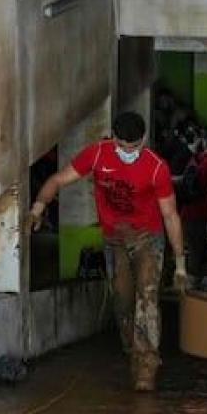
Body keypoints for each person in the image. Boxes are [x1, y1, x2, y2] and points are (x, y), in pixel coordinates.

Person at [27, 112, 186, 392]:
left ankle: (147, 365)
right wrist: (37, 209)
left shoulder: (155, 168)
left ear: (144, 141)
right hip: (114, 239)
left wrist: (181, 263)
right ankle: (132, 349)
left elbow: (171, 215)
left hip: (148, 237)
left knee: (146, 298)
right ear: (113, 138)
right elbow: (57, 181)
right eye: (123, 146)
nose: (128, 153)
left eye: (134, 147)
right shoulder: (98, 155)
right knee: (123, 299)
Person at [179, 129, 207, 291]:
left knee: (194, 252)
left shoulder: (193, 162)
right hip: (204, 215)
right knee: (204, 251)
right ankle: (201, 291)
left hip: (190, 214)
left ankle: (190, 291)